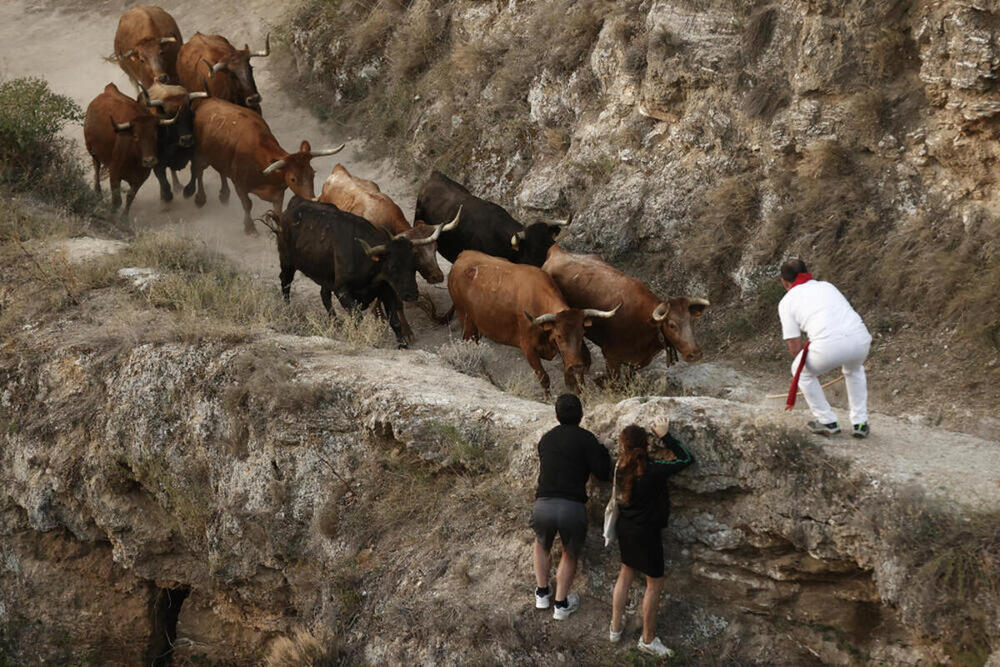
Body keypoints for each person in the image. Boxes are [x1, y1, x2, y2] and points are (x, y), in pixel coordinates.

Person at [609, 417, 693, 657]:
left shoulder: (619, 467)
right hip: (647, 534)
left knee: (625, 574)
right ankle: (647, 638)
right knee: (653, 584)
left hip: (626, 529)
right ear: (646, 444)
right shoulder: (655, 470)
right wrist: (666, 436)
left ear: (623, 446)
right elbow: (686, 459)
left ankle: (615, 628)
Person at [531, 393, 611, 620]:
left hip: (543, 504)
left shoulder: (546, 439)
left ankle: (542, 594)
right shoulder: (587, 439)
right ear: (581, 415)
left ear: (556, 416)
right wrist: (601, 447)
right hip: (571, 507)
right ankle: (561, 605)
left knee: (541, 544)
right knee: (569, 552)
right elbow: (603, 473)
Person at [778, 258, 873, 438]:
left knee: (800, 372)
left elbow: (794, 345)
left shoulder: (787, 301)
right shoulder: (828, 286)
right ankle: (860, 423)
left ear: (784, 281)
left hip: (830, 346)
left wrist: (808, 368)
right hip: (860, 338)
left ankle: (827, 421)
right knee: (854, 370)